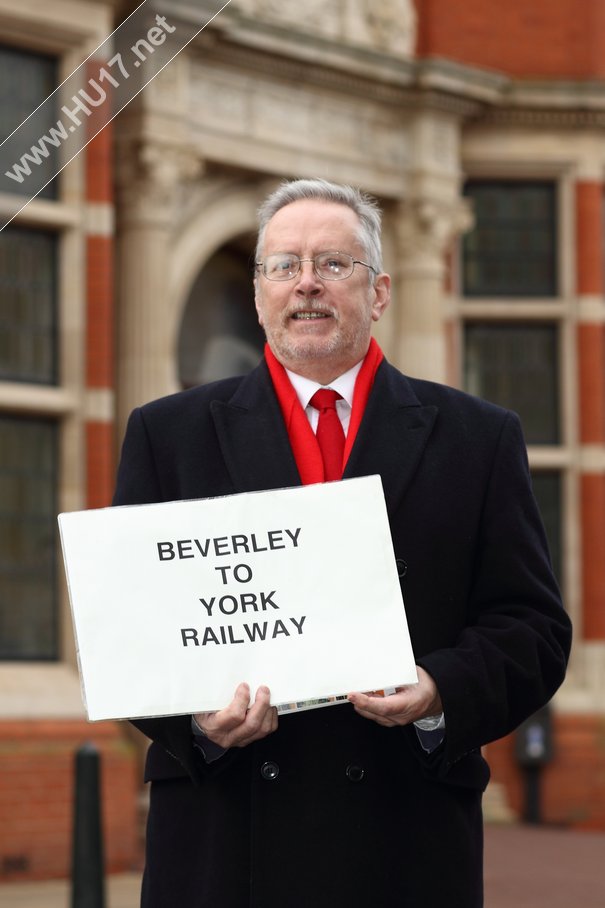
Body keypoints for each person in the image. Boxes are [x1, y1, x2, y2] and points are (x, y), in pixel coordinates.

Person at [113, 178, 571, 908]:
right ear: (260, 291)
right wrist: (196, 722)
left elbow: (533, 629)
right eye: (284, 266)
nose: (306, 286)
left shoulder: (478, 437)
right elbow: (130, 632)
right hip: (227, 834)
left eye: (333, 265)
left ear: (379, 291)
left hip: (402, 833)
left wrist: (436, 692)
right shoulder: (168, 434)